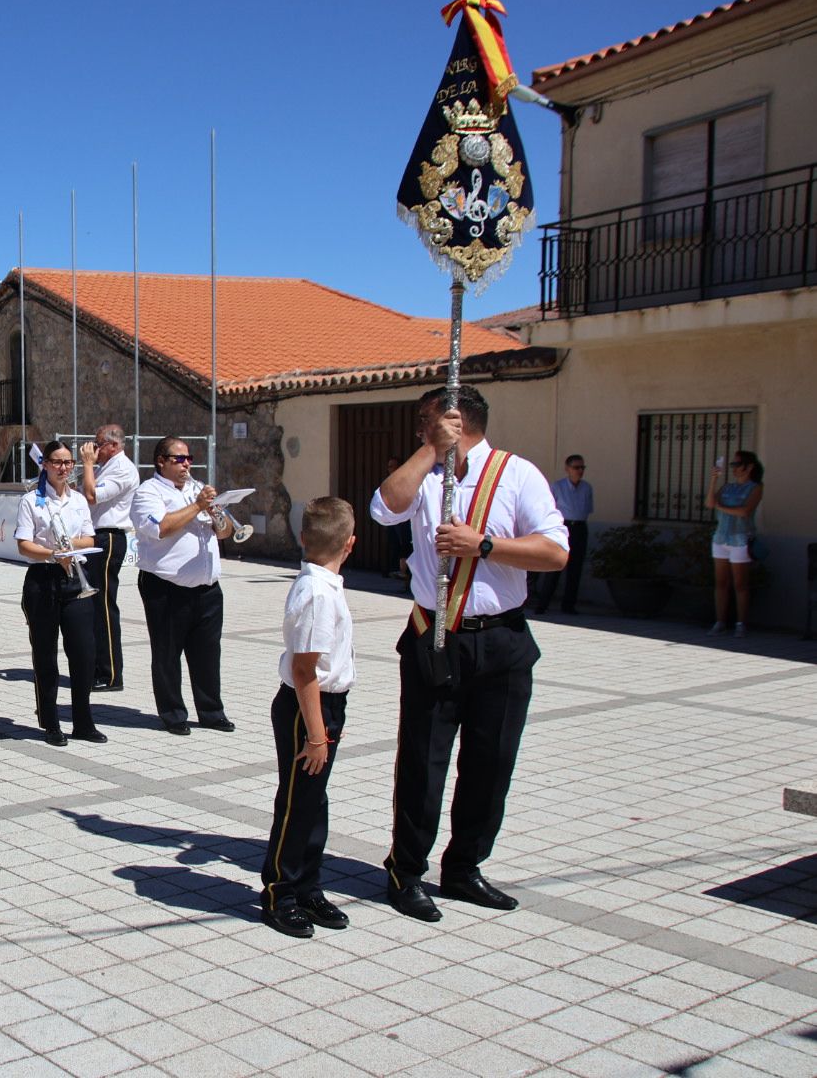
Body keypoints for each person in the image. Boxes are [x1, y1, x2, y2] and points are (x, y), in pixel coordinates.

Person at [370, 385, 567, 922]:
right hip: (435, 635)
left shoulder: (517, 474)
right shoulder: (427, 477)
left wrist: (484, 546)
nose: (418, 431)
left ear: (459, 420)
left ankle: (464, 867)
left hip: (501, 638)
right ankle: (406, 870)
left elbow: (554, 551)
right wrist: (431, 450)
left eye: (425, 423)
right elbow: (383, 507)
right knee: (423, 761)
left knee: (492, 761)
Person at [259, 497, 357, 938]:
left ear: (302, 538)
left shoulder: (324, 584)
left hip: (321, 705)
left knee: (314, 800)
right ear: (350, 544)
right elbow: (304, 670)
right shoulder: (317, 593)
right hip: (307, 709)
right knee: (298, 801)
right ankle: (280, 890)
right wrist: (317, 735)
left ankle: (307, 884)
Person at [130, 437, 237, 737]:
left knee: (207, 653)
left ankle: (212, 712)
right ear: (161, 461)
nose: (186, 464)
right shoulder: (147, 492)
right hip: (166, 587)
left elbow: (225, 532)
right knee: (167, 654)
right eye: (178, 459)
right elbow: (159, 528)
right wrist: (198, 506)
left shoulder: (197, 488)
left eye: (189, 458)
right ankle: (173, 713)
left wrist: (217, 512)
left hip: (207, 587)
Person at [15, 440, 105, 746]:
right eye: (57, 462)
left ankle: (83, 721)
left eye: (68, 463)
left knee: (83, 653)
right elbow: (24, 544)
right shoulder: (31, 501)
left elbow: (89, 537)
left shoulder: (79, 500)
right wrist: (54, 554)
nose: (63, 468)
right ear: (45, 465)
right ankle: (50, 721)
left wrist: (66, 546)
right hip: (43, 579)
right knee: (45, 655)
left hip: (76, 579)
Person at [80, 424, 140, 691]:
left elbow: (92, 496)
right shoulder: (108, 466)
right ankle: (97, 667)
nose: (94, 448)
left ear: (113, 445)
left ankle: (111, 673)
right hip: (98, 536)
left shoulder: (123, 468)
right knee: (94, 606)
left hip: (110, 537)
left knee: (104, 606)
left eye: (98, 443)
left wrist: (88, 464)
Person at [705, 450, 764, 638]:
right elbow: (709, 503)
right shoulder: (727, 487)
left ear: (749, 466)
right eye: (733, 465)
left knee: (740, 584)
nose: (734, 469)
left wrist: (721, 507)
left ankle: (741, 623)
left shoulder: (755, 487)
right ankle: (720, 621)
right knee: (720, 583)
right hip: (720, 538)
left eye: (737, 465)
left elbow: (745, 511)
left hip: (740, 539)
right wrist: (714, 480)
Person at [534, 455, 593, 615]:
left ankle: (569, 605)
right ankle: (543, 605)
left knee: (575, 569)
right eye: (576, 467)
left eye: (582, 468)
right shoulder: (557, 486)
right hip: (564, 525)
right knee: (555, 567)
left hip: (580, 527)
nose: (580, 471)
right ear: (567, 469)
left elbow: (587, 509)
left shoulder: (586, 488)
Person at [381, 457, 413, 583]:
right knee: (395, 544)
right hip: (392, 518)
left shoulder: (404, 480)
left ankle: (405, 573)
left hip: (404, 518)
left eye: (392, 466)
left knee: (405, 545)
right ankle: (397, 570)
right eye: (389, 466)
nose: (390, 469)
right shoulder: (389, 481)